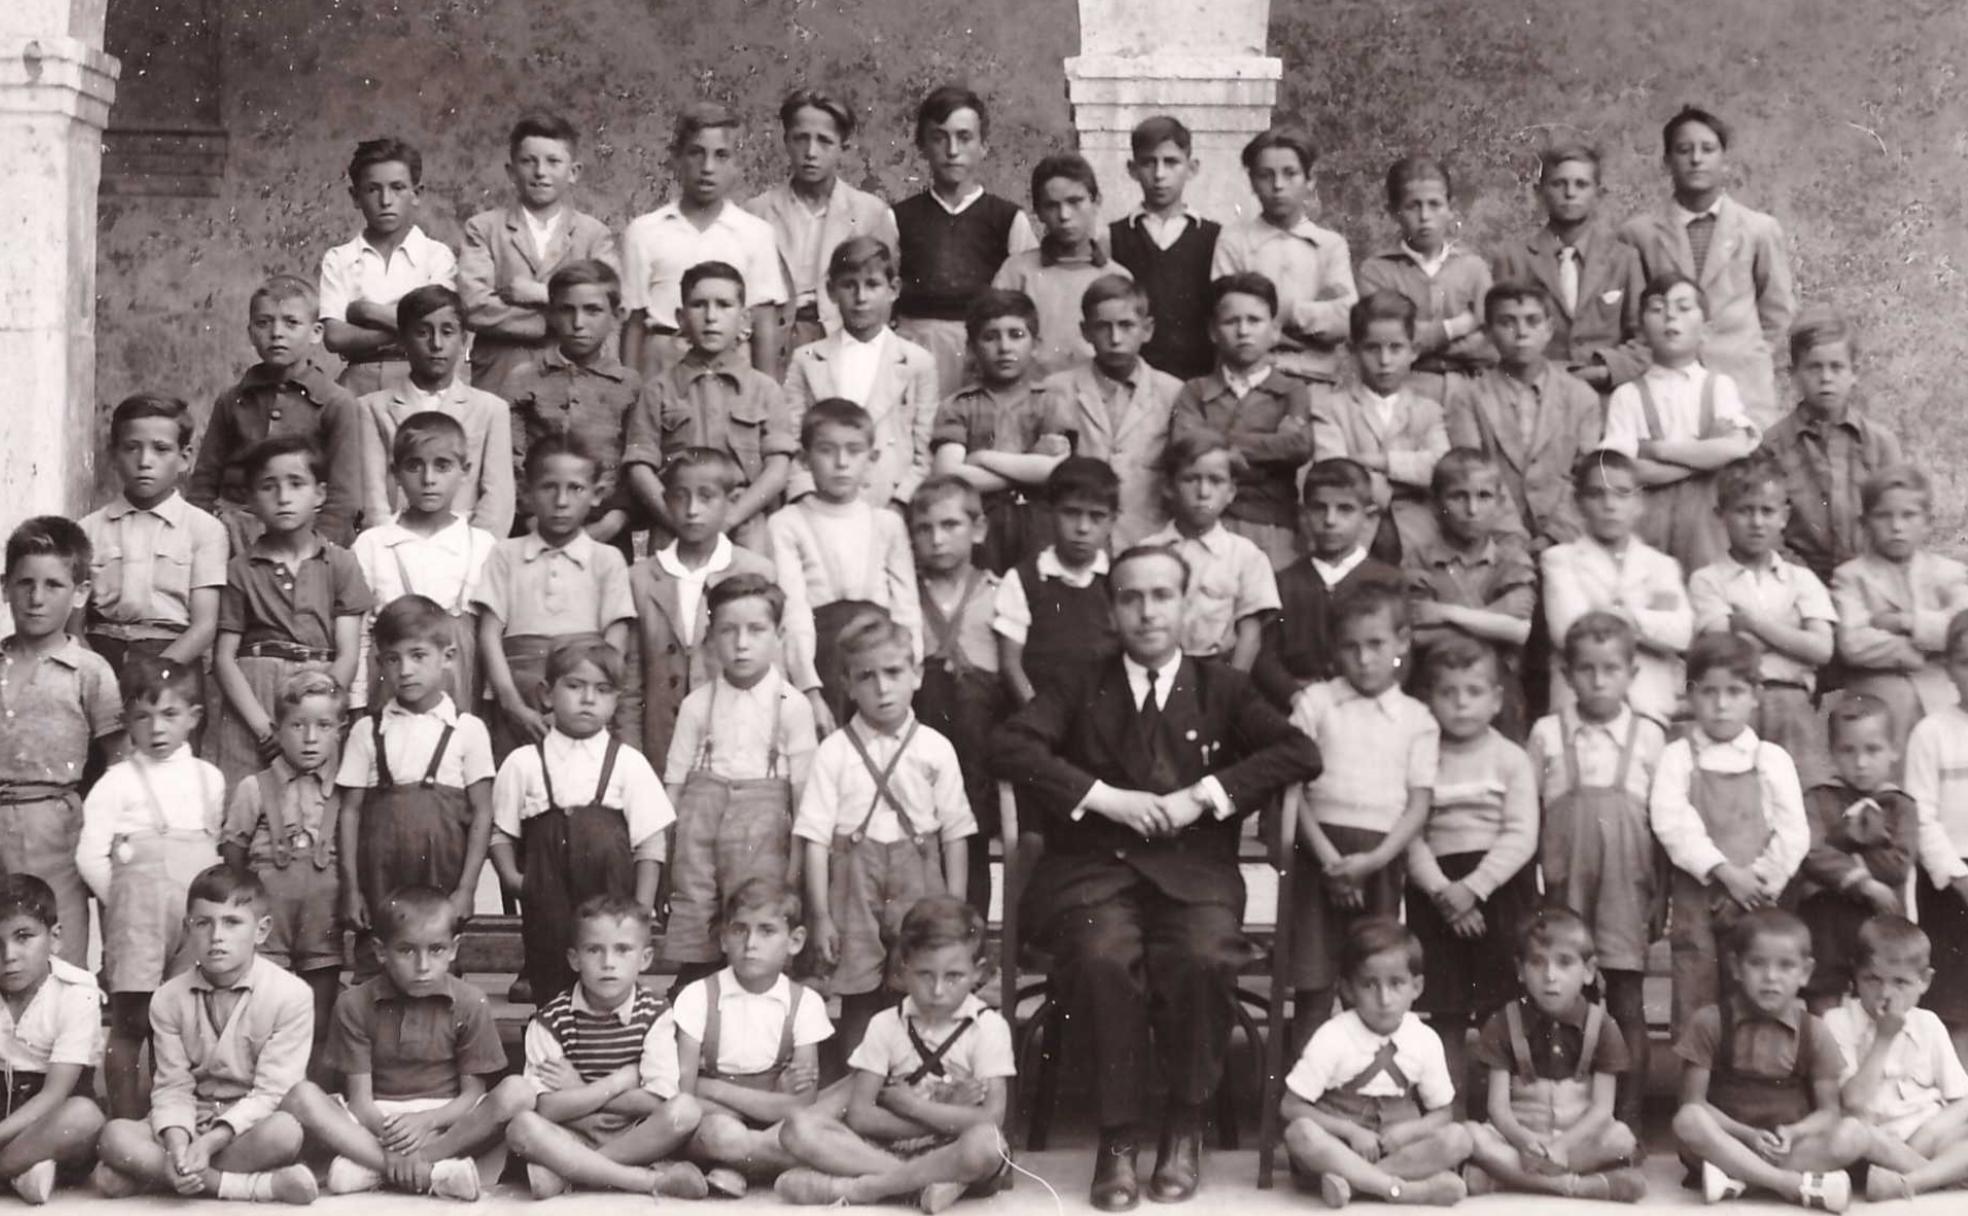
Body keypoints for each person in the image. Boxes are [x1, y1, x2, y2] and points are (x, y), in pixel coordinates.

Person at [991, 543, 1320, 1208]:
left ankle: (1183, 1124)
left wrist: (1204, 795)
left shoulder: (1223, 687)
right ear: (1112, 609)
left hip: (1193, 874)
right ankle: (1117, 1136)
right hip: (1093, 872)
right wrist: (1105, 798)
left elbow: (1298, 751)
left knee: (1203, 955)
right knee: (1101, 955)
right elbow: (1008, 744)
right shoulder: (1079, 680)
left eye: (1162, 596)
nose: (1147, 612)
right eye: (1131, 597)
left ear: (1186, 604)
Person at [796, 614, 974, 1054]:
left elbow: (955, 833)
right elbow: (815, 839)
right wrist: (821, 915)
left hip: (920, 880)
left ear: (916, 675)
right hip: (854, 886)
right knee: (858, 992)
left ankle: (915, 1073)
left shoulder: (935, 748)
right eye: (866, 676)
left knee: (919, 982)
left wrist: (953, 906)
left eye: (893, 672)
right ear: (847, 685)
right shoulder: (834, 752)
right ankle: (860, 1079)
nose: (882, 688)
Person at [92, 866, 317, 1205]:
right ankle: (252, 1186)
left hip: (249, 1123)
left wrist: (210, 1143)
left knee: (284, 1133)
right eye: (203, 923)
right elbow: (173, 1086)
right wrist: (178, 1145)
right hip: (191, 1118)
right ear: (188, 929)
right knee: (114, 1135)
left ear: (261, 930)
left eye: (232, 922)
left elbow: (273, 1092)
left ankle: (157, 1177)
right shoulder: (168, 997)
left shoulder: (291, 994)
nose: (216, 937)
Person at [775, 896, 1012, 1210]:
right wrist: (945, 1113)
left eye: (953, 976)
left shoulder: (989, 1027)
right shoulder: (885, 1024)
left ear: (977, 972)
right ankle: (923, 1185)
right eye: (925, 974)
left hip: (954, 1148)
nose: (938, 990)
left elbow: (991, 1118)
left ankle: (862, 1188)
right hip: (891, 1148)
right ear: (904, 969)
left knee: (986, 1143)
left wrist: (913, 1106)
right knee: (797, 1128)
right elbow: (860, 1115)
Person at [280, 887, 518, 1200]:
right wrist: (393, 1139)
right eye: (406, 951)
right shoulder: (354, 1003)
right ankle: (431, 1174)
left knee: (517, 1092)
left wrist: (427, 1122)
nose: (422, 966)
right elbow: (360, 1102)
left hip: (445, 1120)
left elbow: (471, 1094)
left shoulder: (472, 1002)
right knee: (301, 1097)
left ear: (454, 949)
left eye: (436, 950)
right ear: (381, 951)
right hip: (378, 1119)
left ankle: (388, 1167)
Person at [1526, 612, 1668, 1133]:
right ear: (1567, 674)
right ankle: (1566, 1117)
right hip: (1565, 885)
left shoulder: (1649, 736)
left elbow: (1664, 828)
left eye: (1611, 669)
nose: (1599, 680)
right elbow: (1530, 815)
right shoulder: (1547, 733)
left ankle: (1626, 1122)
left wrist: (1661, 898)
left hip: (1626, 888)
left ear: (1632, 673)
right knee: (1566, 999)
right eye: (1586, 669)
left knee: (1626, 1002)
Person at [1288, 582, 1439, 1039]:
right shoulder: (1316, 703)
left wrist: (1373, 861)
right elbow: (1292, 789)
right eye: (1350, 647)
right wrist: (1330, 861)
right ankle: (1306, 1079)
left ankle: (1367, 1077)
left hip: (1381, 859)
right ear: (1335, 648)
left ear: (1403, 642)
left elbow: (1418, 804)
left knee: (1377, 978)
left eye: (1376, 644)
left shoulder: (1417, 718)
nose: (1364, 658)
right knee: (1314, 985)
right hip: (1318, 854)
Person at [78, 657, 222, 1120]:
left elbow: (213, 847)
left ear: (194, 717)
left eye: (169, 714)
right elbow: (89, 856)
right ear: (127, 722)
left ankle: (171, 1120)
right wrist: (125, 904)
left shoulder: (209, 779)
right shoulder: (117, 782)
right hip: (136, 919)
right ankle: (123, 1121)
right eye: (143, 716)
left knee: (180, 1021)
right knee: (132, 1021)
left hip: (192, 922)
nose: (157, 728)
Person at [491, 636, 671, 1002]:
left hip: (612, 899)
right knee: (550, 977)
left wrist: (640, 911)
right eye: (574, 686)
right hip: (547, 900)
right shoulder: (524, 763)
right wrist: (513, 879)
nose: (588, 698)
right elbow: (501, 833)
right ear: (546, 694)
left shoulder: (628, 763)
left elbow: (651, 842)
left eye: (602, 690)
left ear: (616, 700)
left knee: (610, 978)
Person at [499, 895, 713, 1199]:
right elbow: (547, 1107)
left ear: (645, 958)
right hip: (570, 1135)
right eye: (594, 950)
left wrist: (579, 1089)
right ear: (574, 959)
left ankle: (572, 1173)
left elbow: (658, 1100)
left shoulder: (655, 1014)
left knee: (685, 1110)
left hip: (636, 1136)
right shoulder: (551, 1020)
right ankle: (644, 1181)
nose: (608, 963)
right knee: (522, 1127)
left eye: (623, 949)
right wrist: (618, 1082)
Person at [662, 574, 817, 986]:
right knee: (696, 908)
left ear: (778, 635)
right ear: (711, 636)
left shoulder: (793, 707)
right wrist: (667, 858)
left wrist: (795, 873)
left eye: (756, 630)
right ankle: (696, 986)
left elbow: (804, 801)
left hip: (763, 837)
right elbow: (674, 788)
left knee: (755, 911)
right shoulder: (697, 705)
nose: (742, 643)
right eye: (728, 630)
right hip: (700, 836)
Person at [1653, 632, 1810, 1032]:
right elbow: (1672, 822)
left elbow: (1793, 833)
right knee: (1695, 997)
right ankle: (1694, 1074)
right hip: (1697, 901)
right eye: (1709, 692)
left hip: (1757, 901)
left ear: (1755, 695)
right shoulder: (1677, 757)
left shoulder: (1771, 759)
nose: (1721, 705)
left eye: (1734, 692)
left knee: (1755, 997)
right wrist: (1725, 872)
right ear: (1690, 694)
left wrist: (1757, 883)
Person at [337, 595, 496, 973]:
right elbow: (350, 812)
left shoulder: (468, 730)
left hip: (442, 878)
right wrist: (352, 889)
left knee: (437, 971)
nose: (405, 670)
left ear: (448, 656)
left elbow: (483, 813)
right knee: (378, 970)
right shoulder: (367, 731)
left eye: (418, 655)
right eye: (393, 659)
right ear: (379, 664)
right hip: (381, 882)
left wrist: (467, 889)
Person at [1404, 639, 1537, 1091]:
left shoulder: (1511, 758)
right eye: (1448, 692)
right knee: (1447, 1012)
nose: (1461, 703)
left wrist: (1474, 888)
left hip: (1498, 891)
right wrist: (1445, 893)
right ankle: (1449, 1108)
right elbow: (1410, 833)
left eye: (1474, 691)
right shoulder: (1421, 757)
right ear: (1429, 699)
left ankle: (1508, 1110)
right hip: (1435, 893)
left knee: (1504, 1011)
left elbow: (1521, 834)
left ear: (1496, 700)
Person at [1670, 908, 1865, 1210]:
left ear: (1805, 972)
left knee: (1852, 1135)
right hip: (1725, 1143)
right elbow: (1694, 1102)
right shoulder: (1710, 1022)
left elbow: (1829, 1113)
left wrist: (1794, 1133)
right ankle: (1788, 1184)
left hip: (1787, 1149)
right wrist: (1747, 1136)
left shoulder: (1814, 1031)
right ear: (1736, 967)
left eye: (1786, 966)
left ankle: (1740, 1180)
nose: (1771, 977)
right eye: (1757, 963)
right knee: (1688, 1120)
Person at [208, 435, 371, 792]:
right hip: (255, 696)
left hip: (319, 688)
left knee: (314, 798)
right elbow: (223, 658)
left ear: (320, 494)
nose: (283, 497)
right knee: (248, 795)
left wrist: (320, 709)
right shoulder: (239, 570)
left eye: (296, 484)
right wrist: (264, 729)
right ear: (251, 500)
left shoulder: (341, 563)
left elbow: (347, 653)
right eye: (269, 486)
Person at [1279, 917, 1473, 1207]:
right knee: (1301, 1133)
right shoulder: (1333, 1035)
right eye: (1370, 985)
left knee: (1459, 1138)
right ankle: (1401, 1190)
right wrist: (1350, 1131)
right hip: (1340, 1145)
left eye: (1396, 984)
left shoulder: (1425, 1039)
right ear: (1348, 990)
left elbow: (1443, 1113)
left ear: (1416, 987)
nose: (1384, 998)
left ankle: (1354, 1184)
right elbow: (1291, 1106)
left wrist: (1409, 1132)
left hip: (1397, 1145)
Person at [1619, 106, 1796, 424]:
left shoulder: (1759, 229)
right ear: (1666, 161)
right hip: (1667, 385)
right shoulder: (1639, 234)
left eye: (1708, 149)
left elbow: (1778, 313)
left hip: (1744, 387)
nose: (1696, 159)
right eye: (1684, 150)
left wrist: (1749, 356)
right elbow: (1634, 321)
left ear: (1724, 159)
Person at [1461, 908, 1645, 1201]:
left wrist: (1561, 1146)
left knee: (1621, 1138)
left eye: (1564, 963)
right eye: (1537, 962)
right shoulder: (1503, 1022)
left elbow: (1602, 1109)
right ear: (1520, 970)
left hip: (1575, 1141)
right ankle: (1573, 1186)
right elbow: (1498, 1109)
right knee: (1471, 1135)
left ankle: (1504, 1179)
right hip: (1519, 1140)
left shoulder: (1602, 1026)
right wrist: (1525, 1142)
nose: (1550, 976)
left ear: (1589, 971)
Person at [474, 432, 637, 759]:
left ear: (596, 495)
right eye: (549, 487)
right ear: (527, 493)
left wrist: (589, 697)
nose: (561, 501)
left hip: (584, 698)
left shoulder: (606, 559)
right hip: (519, 701)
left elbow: (615, 641)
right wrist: (511, 703)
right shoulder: (505, 554)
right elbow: (489, 634)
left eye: (575, 488)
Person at [622, 260, 796, 555]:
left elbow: (778, 468)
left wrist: (732, 517)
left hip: (744, 520)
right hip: (675, 521)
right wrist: (674, 518)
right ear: (681, 318)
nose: (711, 317)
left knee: (752, 579)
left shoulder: (764, 390)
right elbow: (640, 467)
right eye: (699, 305)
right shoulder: (658, 390)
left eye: (724, 305)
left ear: (744, 319)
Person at [219, 671, 347, 1073]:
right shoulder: (254, 788)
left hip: (323, 922)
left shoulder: (345, 791)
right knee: (265, 1011)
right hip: (269, 925)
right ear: (277, 730)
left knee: (319, 1016)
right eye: (297, 726)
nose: (310, 738)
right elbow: (233, 854)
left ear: (339, 731)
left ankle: (312, 1092)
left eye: (323, 726)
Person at [673, 878, 835, 1191]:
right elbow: (685, 1095)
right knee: (723, 1134)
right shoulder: (697, 996)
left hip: (777, 1124)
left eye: (767, 931)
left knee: (839, 1098)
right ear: (724, 938)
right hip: (716, 1121)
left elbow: (802, 1102)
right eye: (739, 930)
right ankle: (787, 1164)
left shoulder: (806, 1003)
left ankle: (738, 1166)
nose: (750, 944)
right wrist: (773, 1097)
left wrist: (714, 1088)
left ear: (795, 941)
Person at [768, 398, 920, 726]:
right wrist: (810, 690)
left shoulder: (886, 523)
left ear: (872, 459)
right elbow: (794, 613)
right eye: (826, 450)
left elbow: (907, 609)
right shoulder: (787, 523)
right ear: (804, 459)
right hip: (821, 659)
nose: (841, 463)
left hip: (882, 660)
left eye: (854, 451)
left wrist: (910, 672)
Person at [1691, 451, 1836, 790]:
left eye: (1767, 511)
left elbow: (1822, 648)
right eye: (1744, 510)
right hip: (1734, 706)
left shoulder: (1801, 580)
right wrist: (1791, 639)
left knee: (1801, 793)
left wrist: (1753, 624)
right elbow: (1723, 649)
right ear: (1722, 515)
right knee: (1737, 793)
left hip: (1792, 705)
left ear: (1784, 516)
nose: (1757, 522)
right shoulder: (1707, 580)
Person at [1601, 272, 1760, 574]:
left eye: (1684, 308)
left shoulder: (1719, 387)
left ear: (1706, 329)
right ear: (1642, 331)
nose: (1670, 316)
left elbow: (1736, 449)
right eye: (1657, 309)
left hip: (1710, 536)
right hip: (1648, 536)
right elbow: (1626, 471)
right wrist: (1706, 456)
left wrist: (1657, 450)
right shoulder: (1627, 396)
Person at [458, 110, 619, 401]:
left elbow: (609, 306)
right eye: (528, 161)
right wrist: (560, 321)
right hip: (500, 377)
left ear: (573, 172)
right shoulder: (483, 228)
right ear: (511, 172)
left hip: (572, 382)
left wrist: (540, 294)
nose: (540, 172)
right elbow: (474, 306)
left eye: (553, 161)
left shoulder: (594, 234)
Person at [193, 275, 363, 549]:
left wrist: (316, 552)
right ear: (250, 333)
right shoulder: (232, 400)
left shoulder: (336, 402)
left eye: (291, 322)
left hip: (306, 535)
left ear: (316, 332)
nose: (276, 333)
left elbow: (343, 498)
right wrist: (201, 538)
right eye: (264, 323)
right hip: (234, 534)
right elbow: (204, 482)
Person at [892, 85, 1039, 395]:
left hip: (982, 357)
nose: (952, 150)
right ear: (922, 146)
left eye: (964, 137)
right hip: (914, 351)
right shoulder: (898, 218)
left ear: (983, 146)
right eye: (939, 138)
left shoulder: (1007, 219)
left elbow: (1026, 303)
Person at [621, 103, 785, 379]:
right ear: (677, 159)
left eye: (721, 155)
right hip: (663, 363)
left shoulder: (756, 233)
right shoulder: (644, 231)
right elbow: (634, 324)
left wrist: (767, 396)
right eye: (696, 153)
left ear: (736, 164)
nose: (707, 167)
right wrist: (629, 392)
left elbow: (764, 325)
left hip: (732, 367)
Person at [349, 410, 495, 712]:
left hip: (461, 697)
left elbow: (492, 638)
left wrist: (491, 705)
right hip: (389, 695)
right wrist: (356, 705)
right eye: (414, 466)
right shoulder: (373, 544)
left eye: (442, 466)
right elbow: (360, 636)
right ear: (395, 472)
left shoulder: (482, 546)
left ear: (465, 470)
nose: (428, 479)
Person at [1170, 272, 1318, 569]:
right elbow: (1185, 447)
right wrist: (1268, 447)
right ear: (1213, 331)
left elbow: (1298, 446)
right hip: (1206, 524)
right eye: (1231, 321)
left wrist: (1215, 441)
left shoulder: (1291, 390)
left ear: (1274, 331)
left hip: (1272, 527)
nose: (1243, 331)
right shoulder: (1195, 390)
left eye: (1254, 320)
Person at [1442, 283, 1602, 553]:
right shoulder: (1468, 397)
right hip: (1496, 541)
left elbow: (1585, 477)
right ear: (1489, 333)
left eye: (1532, 321)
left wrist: (1553, 538)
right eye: (1507, 323)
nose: (1521, 332)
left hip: (1568, 540)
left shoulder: (1581, 396)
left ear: (1549, 329)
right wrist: (1512, 541)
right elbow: (1472, 477)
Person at [744, 89, 898, 366]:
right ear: (786, 141)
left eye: (824, 141)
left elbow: (885, 296)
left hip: (844, 340)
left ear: (843, 147)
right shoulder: (757, 212)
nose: (811, 152)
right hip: (775, 345)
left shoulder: (870, 213)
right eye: (801, 139)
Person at [784, 237, 940, 510]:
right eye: (849, 285)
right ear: (831, 291)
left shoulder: (918, 362)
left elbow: (924, 452)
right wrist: (808, 499)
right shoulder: (807, 360)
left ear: (893, 289)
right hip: (821, 505)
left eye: (872, 285)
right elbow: (794, 441)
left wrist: (899, 504)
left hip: (891, 505)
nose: (861, 298)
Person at [1541, 450, 1693, 725]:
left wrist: (1613, 614)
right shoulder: (1560, 559)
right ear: (1577, 503)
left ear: (1639, 502)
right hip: (1580, 712)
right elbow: (1569, 631)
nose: (1609, 505)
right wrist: (1647, 620)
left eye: (1622, 493)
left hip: (1649, 709)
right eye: (1596, 494)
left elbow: (1680, 632)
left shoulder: (1661, 566)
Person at [910, 478, 1006, 913]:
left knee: (972, 842)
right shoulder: (903, 594)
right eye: (924, 528)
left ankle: (970, 936)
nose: (937, 539)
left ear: (978, 529)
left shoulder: (999, 593)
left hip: (975, 753)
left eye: (950, 525)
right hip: (920, 743)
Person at [1822, 915, 1968, 1200]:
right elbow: (1852, 1102)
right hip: (1874, 1143)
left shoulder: (1928, 1024)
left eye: (1900, 982)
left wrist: (1929, 1132)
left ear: (1924, 981)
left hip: (1927, 1136)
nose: (1885, 993)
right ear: (1856, 975)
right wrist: (1884, 1038)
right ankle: (1938, 1176)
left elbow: (1962, 1099)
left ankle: (1908, 1181)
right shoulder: (1837, 1020)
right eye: (1873, 979)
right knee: (1853, 1132)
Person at [79, 393, 227, 672]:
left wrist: (157, 674)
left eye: (161, 449)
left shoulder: (205, 529)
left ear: (184, 458)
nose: (145, 461)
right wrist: (99, 675)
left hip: (175, 658)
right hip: (101, 657)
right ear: (113, 455)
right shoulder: (88, 529)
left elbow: (204, 626)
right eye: (131, 448)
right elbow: (74, 626)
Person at [357, 284, 516, 539]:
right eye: (422, 333)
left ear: (463, 340)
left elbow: (498, 502)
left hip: (467, 548)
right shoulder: (372, 408)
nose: (436, 344)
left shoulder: (490, 409)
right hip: (396, 546)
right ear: (402, 340)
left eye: (448, 332)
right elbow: (374, 500)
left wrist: (472, 551)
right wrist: (392, 549)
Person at [1489, 142, 1648, 395]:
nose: (1570, 193)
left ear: (1598, 194)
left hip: (1605, 396)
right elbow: (1497, 336)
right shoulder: (1513, 259)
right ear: (1540, 192)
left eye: (1581, 184)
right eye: (1558, 184)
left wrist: (1604, 371)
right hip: (1533, 393)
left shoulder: (1623, 259)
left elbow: (1644, 340)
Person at [1036, 275, 1183, 547]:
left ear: (1147, 329)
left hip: (1148, 540)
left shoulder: (1173, 393)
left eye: (1126, 326)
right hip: (1079, 543)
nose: (1115, 338)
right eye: (1103, 327)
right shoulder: (1055, 390)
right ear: (1085, 331)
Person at [1760, 310, 1902, 586]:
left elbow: (1896, 515)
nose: (1826, 378)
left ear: (1854, 373)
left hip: (1870, 580)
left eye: (1836, 367)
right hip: (1798, 582)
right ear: (1793, 375)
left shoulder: (1880, 443)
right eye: (1814, 367)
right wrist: (1803, 582)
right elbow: (1768, 527)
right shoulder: (1772, 446)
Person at [1832, 466, 1968, 752]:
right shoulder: (1851, 577)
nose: (1896, 526)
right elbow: (1853, 643)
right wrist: (1921, 652)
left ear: (1928, 522)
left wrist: (1905, 622)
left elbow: (1960, 630)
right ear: (1865, 523)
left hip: (1943, 693)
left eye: (1908, 515)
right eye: (1883, 516)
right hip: (1880, 699)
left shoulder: (1950, 573)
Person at [1252, 458, 1406, 710]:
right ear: (1303, 514)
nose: (1330, 520)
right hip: (1301, 707)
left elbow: (1402, 656)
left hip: (1370, 706)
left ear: (1368, 517)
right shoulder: (1284, 582)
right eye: (1319, 508)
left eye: (1345, 509)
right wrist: (1296, 697)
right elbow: (1266, 658)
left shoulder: (1389, 580)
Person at [1404, 449, 1537, 740]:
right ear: (1436, 503)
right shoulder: (1420, 560)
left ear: (1500, 503)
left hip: (1500, 693)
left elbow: (1518, 632)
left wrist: (1444, 613)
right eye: (1458, 496)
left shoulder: (1512, 560)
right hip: (1435, 692)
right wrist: (1496, 615)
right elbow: (1419, 636)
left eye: (1484, 496)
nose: (1472, 509)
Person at [930, 288, 1066, 573]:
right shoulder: (959, 406)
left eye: (1016, 335)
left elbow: (1056, 472)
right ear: (971, 348)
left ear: (1036, 344)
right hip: (980, 525)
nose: (1004, 347)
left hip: (1039, 525)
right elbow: (949, 474)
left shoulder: (1049, 402)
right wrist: (1028, 467)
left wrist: (980, 458)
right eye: (990, 337)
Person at [1311, 291, 1451, 562]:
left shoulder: (1428, 410)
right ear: (1353, 351)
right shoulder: (1331, 408)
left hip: (1419, 537)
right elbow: (1336, 474)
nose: (1385, 361)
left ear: (1414, 351)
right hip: (1353, 538)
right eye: (1372, 348)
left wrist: (1380, 462)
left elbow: (1441, 469)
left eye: (1396, 348)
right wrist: (1408, 482)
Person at [1212, 127, 1356, 384]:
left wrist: (1282, 314)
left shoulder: (1329, 245)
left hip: (1318, 379)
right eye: (1266, 175)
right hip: (1253, 380)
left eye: (1290, 174)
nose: (1278, 185)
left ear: (1310, 180)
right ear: (1252, 182)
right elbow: (1229, 319)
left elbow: (1344, 322)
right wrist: (1314, 316)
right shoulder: (1234, 241)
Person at [1795, 697, 1912, 1011]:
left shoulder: (1900, 805)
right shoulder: (1818, 798)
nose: (1861, 763)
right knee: (1824, 1002)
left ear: (1894, 750)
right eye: (1848, 751)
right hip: (1826, 924)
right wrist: (1864, 882)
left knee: (1878, 998)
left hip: (1878, 922)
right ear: (1832, 753)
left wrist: (1841, 854)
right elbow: (1811, 853)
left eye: (1872, 750)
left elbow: (1898, 864)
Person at [319, 137, 458, 399]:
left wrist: (365, 310)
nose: (385, 200)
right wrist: (411, 331)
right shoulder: (339, 258)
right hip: (358, 382)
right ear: (355, 197)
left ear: (416, 194)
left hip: (420, 380)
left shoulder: (436, 256)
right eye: (373, 189)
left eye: (397, 188)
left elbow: (436, 326)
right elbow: (334, 337)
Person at [0, 874, 106, 1204]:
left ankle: (14, 1166)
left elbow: (55, 1094)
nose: (8, 955)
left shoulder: (77, 991)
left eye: (23, 937)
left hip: (50, 1112)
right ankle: (21, 1170)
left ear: (55, 938)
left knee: (84, 1116)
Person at [1357, 156, 1494, 406]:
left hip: (1469, 390)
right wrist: (1457, 327)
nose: (1425, 216)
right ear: (1394, 212)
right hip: (1404, 393)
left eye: (1435, 204)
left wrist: (1417, 341)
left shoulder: (1474, 268)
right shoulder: (1377, 271)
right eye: (1413, 206)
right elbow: (1383, 341)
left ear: (1450, 208)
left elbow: (1489, 344)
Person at [1140, 430, 1281, 669]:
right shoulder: (1147, 552)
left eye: (1216, 481)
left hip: (1217, 671)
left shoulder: (1246, 556)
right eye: (1190, 479)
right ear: (1169, 487)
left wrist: (1231, 686)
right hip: (1155, 670)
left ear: (1231, 492)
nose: (1203, 492)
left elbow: (1250, 636)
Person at [992, 456, 1123, 705]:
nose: (1083, 527)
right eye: (1071, 513)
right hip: (1040, 712)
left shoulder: (1119, 579)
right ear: (1050, 512)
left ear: (1112, 521)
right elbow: (1011, 665)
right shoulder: (1023, 579)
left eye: (1096, 516)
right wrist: (1040, 717)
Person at [993, 153, 1127, 378]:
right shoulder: (1017, 272)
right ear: (1038, 212)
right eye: (1052, 206)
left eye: (1075, 202)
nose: (1064, 215)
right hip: (1033, 391)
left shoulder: (1116, 277)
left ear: (1096, 202)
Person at [1110, 115, 1220, 383]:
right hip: (1132, 381)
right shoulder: (1113, 237)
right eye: (1148, 163)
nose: (1159, 175)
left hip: (1198, 380)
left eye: (1171, 162)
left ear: (1191, 168)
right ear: (1132, 169)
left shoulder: (1215, 237)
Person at [1905, 608, 1968, 1062]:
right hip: (1948, 884)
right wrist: (1957, 875)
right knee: (1954, 1005)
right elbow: (1920, 815)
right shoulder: (1931, 733)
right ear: (1947, 667)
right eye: (1965, 662)